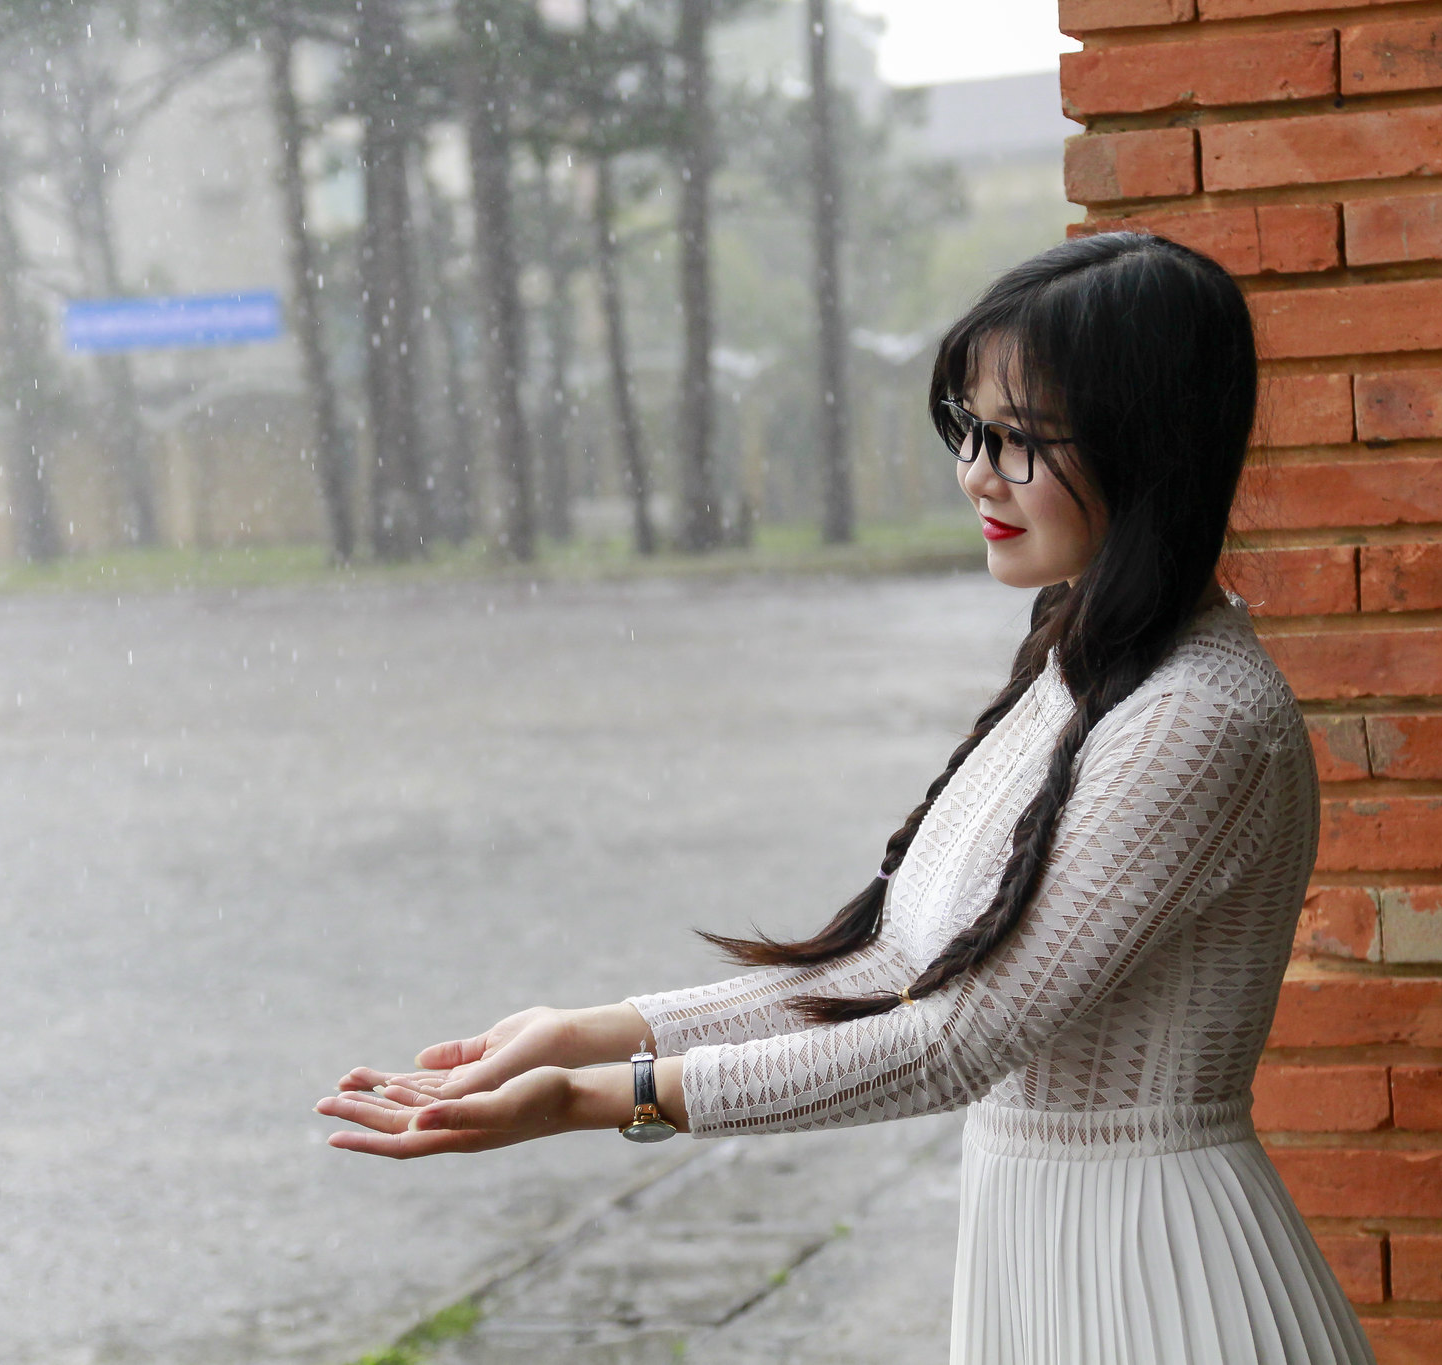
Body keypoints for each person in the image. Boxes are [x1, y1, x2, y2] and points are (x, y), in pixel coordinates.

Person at [314, 233, 1376, 1364]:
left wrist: (596, 1098)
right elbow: (898, 967)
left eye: (1019, 440)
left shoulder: (1191, 716)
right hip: (1042, 1245)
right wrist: (584, 1033)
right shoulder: (1080, 667)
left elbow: (952, 1041)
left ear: (1146, 444)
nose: (976, 473)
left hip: (1160, 1274)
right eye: (969, 430)